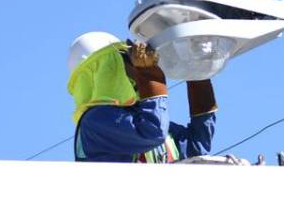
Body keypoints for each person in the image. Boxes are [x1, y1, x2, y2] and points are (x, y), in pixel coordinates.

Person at [66, 31, 216, 163]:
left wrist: (197, 74)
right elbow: (153, 132)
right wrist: (149, 74)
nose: (134, 64)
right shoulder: (95, 122)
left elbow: (196, 147)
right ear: (106, 70)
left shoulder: (140, 118)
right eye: (126, 59)